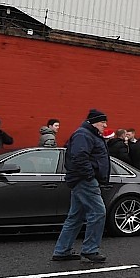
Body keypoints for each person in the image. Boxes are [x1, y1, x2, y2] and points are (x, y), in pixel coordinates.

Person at [51, 109, 111, 263]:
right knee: (98, 212)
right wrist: (90, 175)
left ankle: (62, 251)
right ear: (94, 122)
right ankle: (90, 250)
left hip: (81, 179)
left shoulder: (88, 134)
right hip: (84, 180)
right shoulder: (83, 134)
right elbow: (79, 157)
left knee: (76, 216)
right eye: (103, 122)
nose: (105, 125)